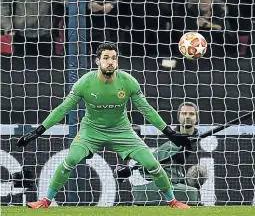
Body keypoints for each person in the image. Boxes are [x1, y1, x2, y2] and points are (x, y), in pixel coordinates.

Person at [16, 42, 191, 209]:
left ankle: (173, 202)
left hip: (122, 131)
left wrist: (170, 133)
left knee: (152, 164)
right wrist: (38, 131)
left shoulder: (128, 82)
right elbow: (62, 109)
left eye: (114, 58)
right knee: (71, 160)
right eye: (106, 58)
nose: (110, 62)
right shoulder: (85, 83)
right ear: (98, 61)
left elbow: (147, 110)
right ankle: (46, 201)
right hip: (91, 131)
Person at [114, 102, 208, 206]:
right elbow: (153, 160)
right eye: (184, 113)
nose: (187, 117)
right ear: (179, 116)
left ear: (197, 118)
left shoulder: (202, 139)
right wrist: (132, 168)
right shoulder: (166, 138)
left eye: (191, 114)